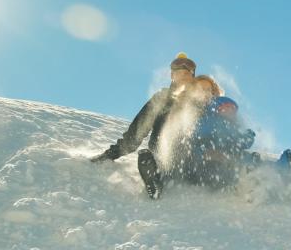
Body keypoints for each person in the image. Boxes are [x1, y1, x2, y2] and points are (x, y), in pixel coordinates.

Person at [91, 53, 255, 199]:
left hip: (196, 157)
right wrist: (112, 154)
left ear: (193, 77)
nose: (184, 76)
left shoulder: (206, 104)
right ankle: (155, 175)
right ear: (172, 75)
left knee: (210, 158)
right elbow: (138, 129)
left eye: (188, 73)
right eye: (179, 73)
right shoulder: (163, 98)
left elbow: (223, 131)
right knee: (165, 153)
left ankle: (239, 179)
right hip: (164, 153)